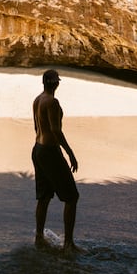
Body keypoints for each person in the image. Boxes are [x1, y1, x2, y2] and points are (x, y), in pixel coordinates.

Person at [32, 68, 80, 252]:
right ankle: (68, 244)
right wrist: (69, 153)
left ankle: (38, 237)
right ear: (57, 83)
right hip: (49, 151)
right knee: (72, 197)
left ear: (44, 83)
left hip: (37, 149)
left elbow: (36, 126)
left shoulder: (37, 99)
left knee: (44, 197)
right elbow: (55, 130)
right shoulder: (52, 102)